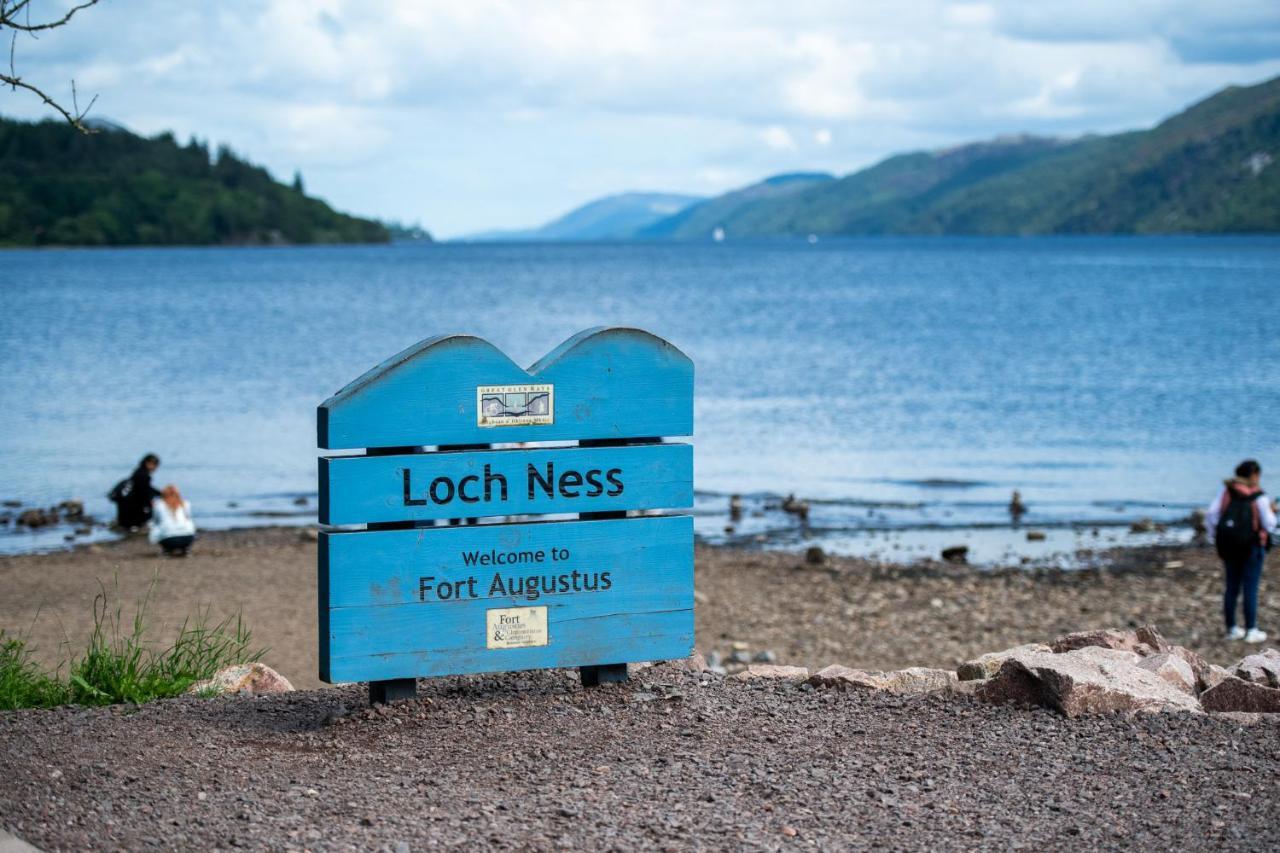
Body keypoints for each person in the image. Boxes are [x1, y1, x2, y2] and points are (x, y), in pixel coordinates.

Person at [1205, 459, 1277, 643]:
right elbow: (1269, 524)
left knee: (1231, 587)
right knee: (1250, 588)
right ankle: (1251, 629)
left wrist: (1216, 536)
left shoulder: (1227, 490)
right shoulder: (1258, 495)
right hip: (1252, 546)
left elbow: (1212, 514)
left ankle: (1232, 628)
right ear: (1254, 475)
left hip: (1229, 545)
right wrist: (1272, 511)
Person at [107, 454, 162, 531]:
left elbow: (145, 489)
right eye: (155, 465)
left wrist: (159, 494)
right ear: (148, 463)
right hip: (132, 507)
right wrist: (150, 504)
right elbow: (143, 492)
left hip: (125, 504)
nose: (155, 468)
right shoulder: (144, 475)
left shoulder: (138, 472)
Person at [149, 484, 197, 557]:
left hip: (169, 539)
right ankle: (185, 549)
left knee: (155, 526)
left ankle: (167, 550)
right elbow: (188, 518)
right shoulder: (185, 504)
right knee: (188, 523)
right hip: (188, 538)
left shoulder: (159, 505)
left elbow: (155, 521)